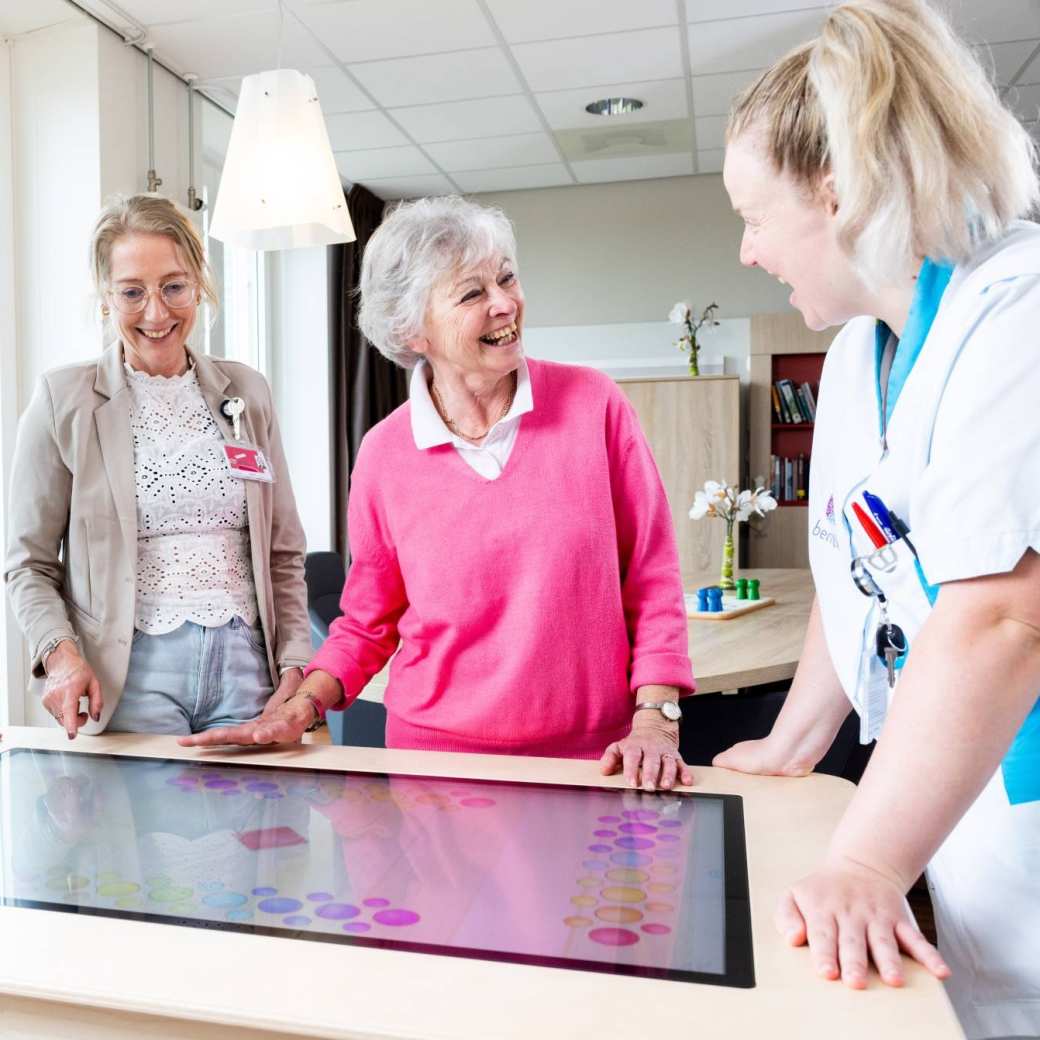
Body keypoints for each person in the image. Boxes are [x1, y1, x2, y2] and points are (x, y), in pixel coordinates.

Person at [715, 1, 1040, 1035]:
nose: (747, 250)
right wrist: (793, 738)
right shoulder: (861, 349)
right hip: (947, 783)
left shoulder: (1017, 312)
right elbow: (860, 567)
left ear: (837, 188)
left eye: (755, 215)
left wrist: (865, 857)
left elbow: (1001, 615)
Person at [181, 196, 697, 792]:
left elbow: (652, 574)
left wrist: (657, 719)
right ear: (411, 329)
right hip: (434, 768)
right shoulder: (383, 454)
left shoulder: (594, 404)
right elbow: (369, 622)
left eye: (506, 277)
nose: (504, 303)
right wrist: (304, 704)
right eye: (471, 293)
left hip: (592, 758)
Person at [4, 194, 312, 738]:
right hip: (128, 673)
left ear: (199, 283)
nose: (156, 312)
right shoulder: (64, 400)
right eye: (131, 292)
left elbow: (283, 551)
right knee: (142, 823)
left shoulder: (247, 391)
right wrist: (60, 654)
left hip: (248, 670)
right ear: (105, 297)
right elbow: (28, 564)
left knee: (253, 821)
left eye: (174, 286)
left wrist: (293, 665)